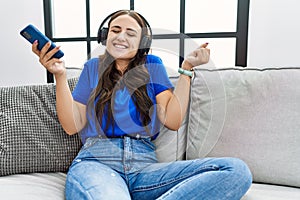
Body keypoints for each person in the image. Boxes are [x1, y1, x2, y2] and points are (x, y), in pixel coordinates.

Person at [32, 9, 252, 200]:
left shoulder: (153, 66)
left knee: (235, 170)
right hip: (98, 162)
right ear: (105, 36)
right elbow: (72, 126)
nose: (121, 37)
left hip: (145, 168)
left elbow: (173, 121)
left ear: (142, 43)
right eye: (115, 30)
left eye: (131, 33)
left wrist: (186, 69)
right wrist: (60, 76)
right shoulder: (92, 68)